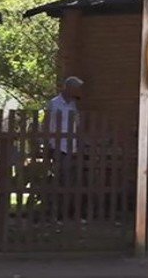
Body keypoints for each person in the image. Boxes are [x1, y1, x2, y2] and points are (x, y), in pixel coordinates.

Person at [46, 76, 83, 213]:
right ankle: (56, 210)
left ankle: (67, 209)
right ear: (69, 88)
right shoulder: (54, 103)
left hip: (71, 146)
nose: (78, 92)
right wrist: (49, 142)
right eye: (76, 89)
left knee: (70, 179)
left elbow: (77, 124)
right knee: (60, 178)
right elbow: (48, 123)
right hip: (58, 145)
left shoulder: (73, 104)